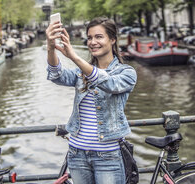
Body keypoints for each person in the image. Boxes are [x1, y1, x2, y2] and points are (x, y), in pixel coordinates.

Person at [46, 17, 137, 184]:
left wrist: (74, 57)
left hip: (108, 156)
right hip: (77, 153)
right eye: (89, 38)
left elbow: (108, 83)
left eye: (99, 37)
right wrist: (51, 48)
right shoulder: (81, 74)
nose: (93, 42)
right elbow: (56, 75)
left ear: (112, 39)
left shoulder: (126, 73)